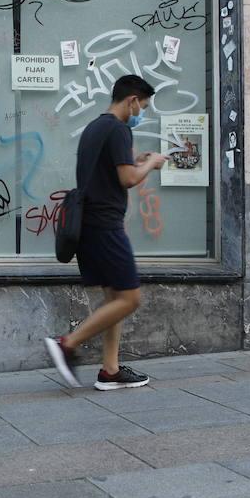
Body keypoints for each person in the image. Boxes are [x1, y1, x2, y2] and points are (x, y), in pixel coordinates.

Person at [45, 74, 166, 390]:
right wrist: (151, 164)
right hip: (105, 225)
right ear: (132, 101)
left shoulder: (95, 128)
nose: (142, 112)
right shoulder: (118, 129)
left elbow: (113, 171)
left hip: (90, 224)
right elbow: (127, 179)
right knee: (130, 298)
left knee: (114, 295)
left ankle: (110, 370)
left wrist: (136, 161)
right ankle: (67, 344)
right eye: (144, 106)